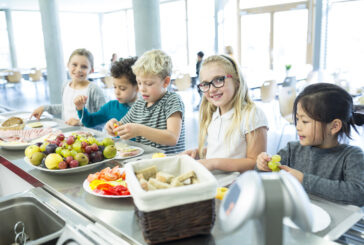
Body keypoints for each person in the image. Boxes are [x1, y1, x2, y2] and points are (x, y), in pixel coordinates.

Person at [256, 83, 364, 206]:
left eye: (305, 121)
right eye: (297, 119)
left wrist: (303, 179)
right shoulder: (292, 149)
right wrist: (262, 166)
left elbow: (358, 194)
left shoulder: (352, 156)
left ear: (334, 126)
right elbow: (263, 179)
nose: (298, 126)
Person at [183, 55, 268, 174]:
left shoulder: (252, 115)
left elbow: (255, 163)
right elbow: (226, 151)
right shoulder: (214, 114)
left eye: (218, 80)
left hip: (237, 186)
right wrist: (200, 152)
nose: (212, 89)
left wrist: (213, 163)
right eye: (205, 84)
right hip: (216, 183)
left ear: (237, 81)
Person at [105, 50, 185, 154]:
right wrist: (113, 125)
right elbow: (121, 125)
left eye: (148, 83)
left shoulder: (172, 100)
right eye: (139, 83)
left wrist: (139, 130)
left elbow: (172, 138)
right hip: (146, 160)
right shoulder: (140, 103)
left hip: (169, 161)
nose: (142, 89)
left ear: (165, 82)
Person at [30, 48, 106, 126]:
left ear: (91, 70)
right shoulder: (65, 86)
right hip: (68, 134)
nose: (78, 69)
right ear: (68, 65)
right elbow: (65, 107)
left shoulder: (94, 90)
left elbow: (103, 116)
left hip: (89, 135)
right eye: (74, 65)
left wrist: (80, 123)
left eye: (84, 67)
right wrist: (44, 108)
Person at [74, 57, 138, 129]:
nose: (117, 92)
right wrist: (80, 108)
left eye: (122, 88)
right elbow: (89, 121)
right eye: (115, 87)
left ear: (137, 87)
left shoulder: (145, 109)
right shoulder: (111, 107)